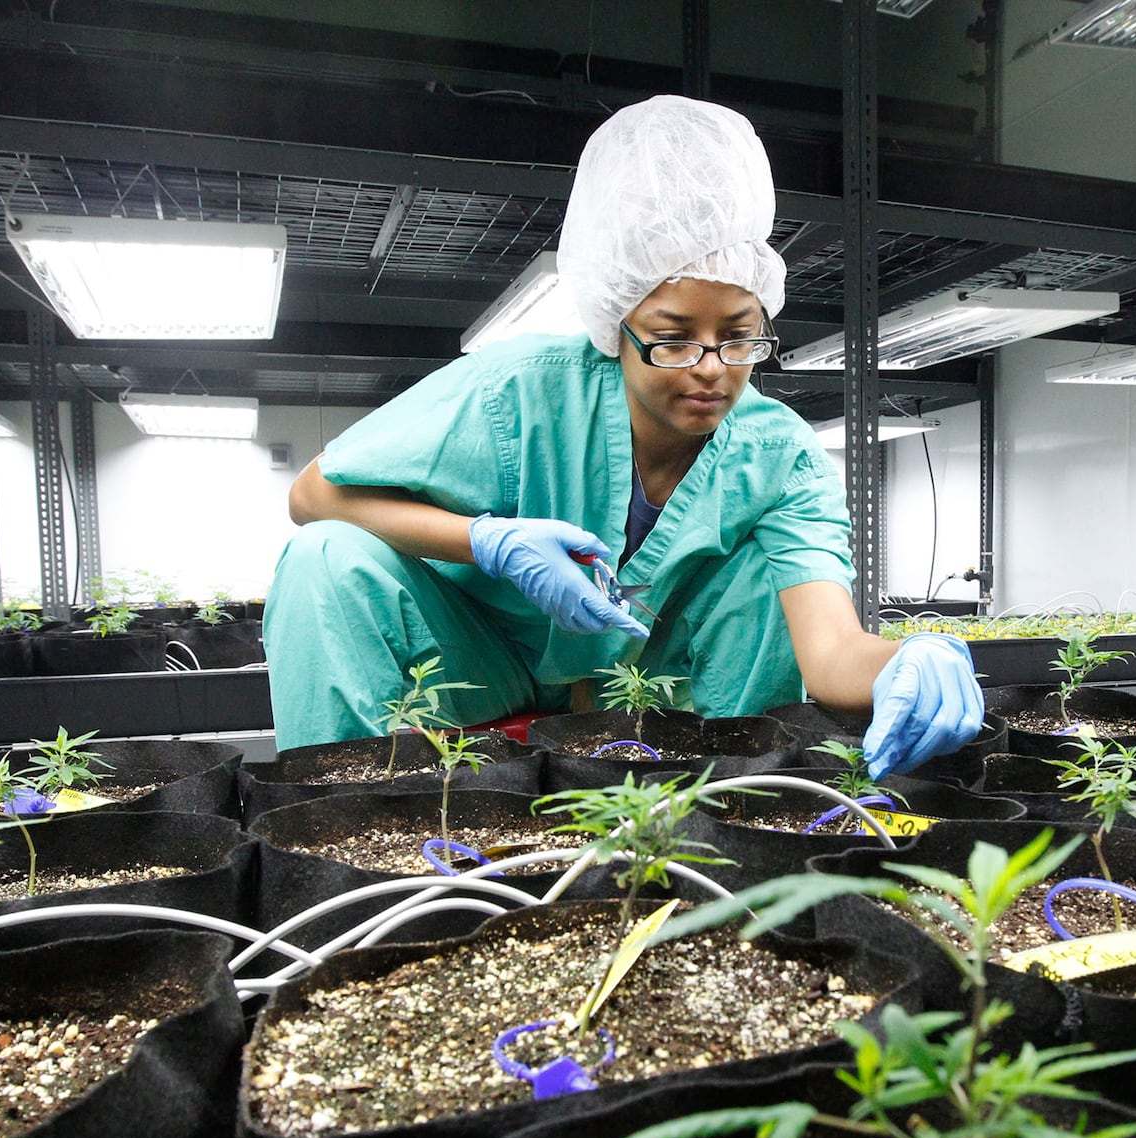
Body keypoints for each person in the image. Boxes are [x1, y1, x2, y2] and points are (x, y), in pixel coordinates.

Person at [264, 95, 983, 777]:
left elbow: (829, 650)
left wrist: (904, 660)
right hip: (484, 664)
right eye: (672, 340)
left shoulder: (781, 456)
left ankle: (739, 799)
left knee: (768, 572)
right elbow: (312, 493)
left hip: (650, 694)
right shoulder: (520, 390)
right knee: (326, 556)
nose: (711, 370)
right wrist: (485, 541)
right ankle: (339, 821)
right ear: (617, 326)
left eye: (737, 339)